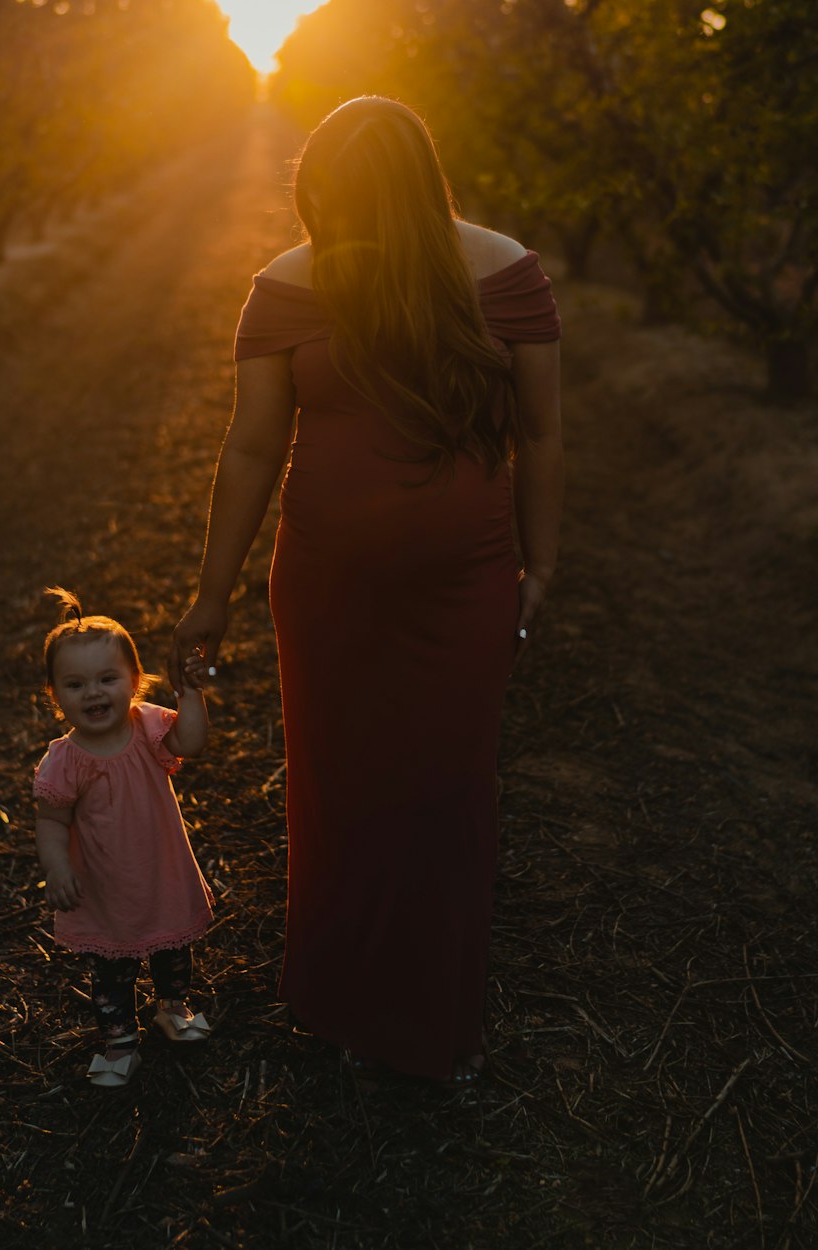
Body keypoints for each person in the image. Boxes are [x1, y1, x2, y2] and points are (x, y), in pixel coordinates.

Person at [169, 97, 562, 1082]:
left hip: (462, 583)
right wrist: (211, 592)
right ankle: (347, 1001)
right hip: (326, 587)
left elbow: (541, 431)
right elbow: (254, 442)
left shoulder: (502, 273)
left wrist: (539, 558)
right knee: (342, 786)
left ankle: (434, 1015)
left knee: (446, 786)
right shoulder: (287, 286)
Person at [35, 587, 215, 1088]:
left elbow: (194, 742)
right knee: (111, 972)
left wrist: (191, 694)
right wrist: (58, 868)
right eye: (75, 684)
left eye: (107, 679)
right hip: (104, 886)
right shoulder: (65, 760)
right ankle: (119, 1041)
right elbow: (51, 821)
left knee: (172, 951)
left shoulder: (148, 727)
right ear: (54, 694)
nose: (93, 693)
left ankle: (172, 1008)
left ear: (135, 682)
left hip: (159, 872)